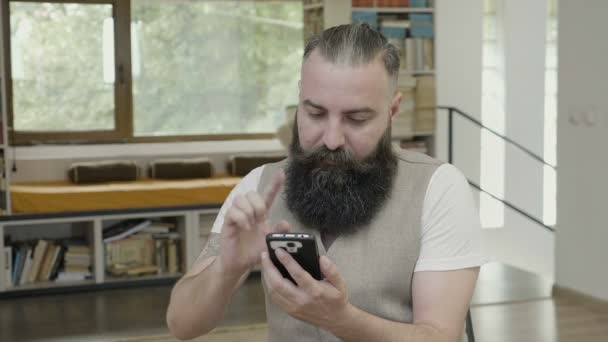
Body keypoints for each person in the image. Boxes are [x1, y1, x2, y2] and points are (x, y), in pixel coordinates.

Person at [166, 23, 485, 342]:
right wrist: (226, 267)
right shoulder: (258, 186)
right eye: (315, 114)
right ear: (300, 101)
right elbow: (182, 325)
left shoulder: (438, 189)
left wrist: (342, 320)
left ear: (392, 111)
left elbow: (440, 337)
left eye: (357, 119)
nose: (331, 140)